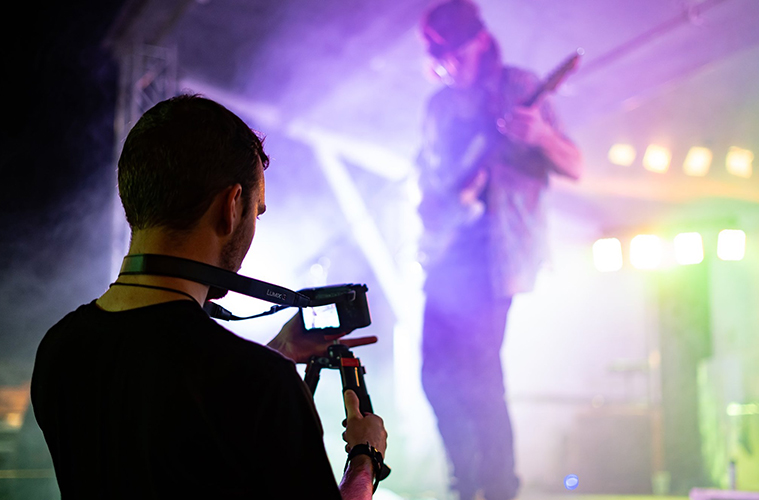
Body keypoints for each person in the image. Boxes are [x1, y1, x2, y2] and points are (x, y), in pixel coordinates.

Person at [31, 95, 388, 499]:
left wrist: (279, 351)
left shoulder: (60, 349)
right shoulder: (262, 385)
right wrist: (365, 458)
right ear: (231, 206)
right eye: (257, 212)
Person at [416, 1, 583, 499]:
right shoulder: (439, 107)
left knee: (481, 376)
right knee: (433, 375)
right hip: (447, 255)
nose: (451, 66)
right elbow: (428, 188)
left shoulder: (518, 87)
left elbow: (574, 164)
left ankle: (498, 489)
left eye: (457, 54)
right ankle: (466, 482)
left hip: (497, 258)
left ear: (481, 42)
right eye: (441, 59)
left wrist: (542, 136)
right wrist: (448, 203)